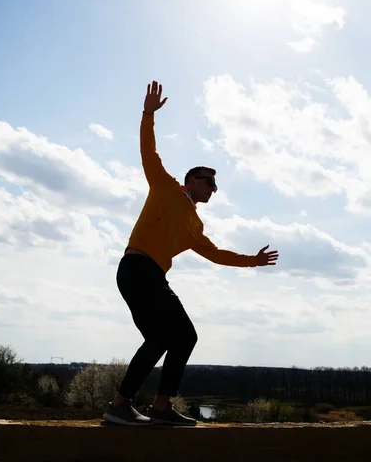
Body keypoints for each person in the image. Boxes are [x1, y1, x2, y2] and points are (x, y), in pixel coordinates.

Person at [104, 80, 278, 426]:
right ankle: (138, 407)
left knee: (173, 337)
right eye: (208, 181)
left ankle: (142, 406)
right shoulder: (165, 186)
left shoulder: (195, 227)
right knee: (172, 336)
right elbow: (148, 152)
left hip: (150, 275)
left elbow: (216, 254)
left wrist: (252, 261)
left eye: (216, 184)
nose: (213, 187)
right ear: (190, 181)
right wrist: (147, 115)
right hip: (137, 268)